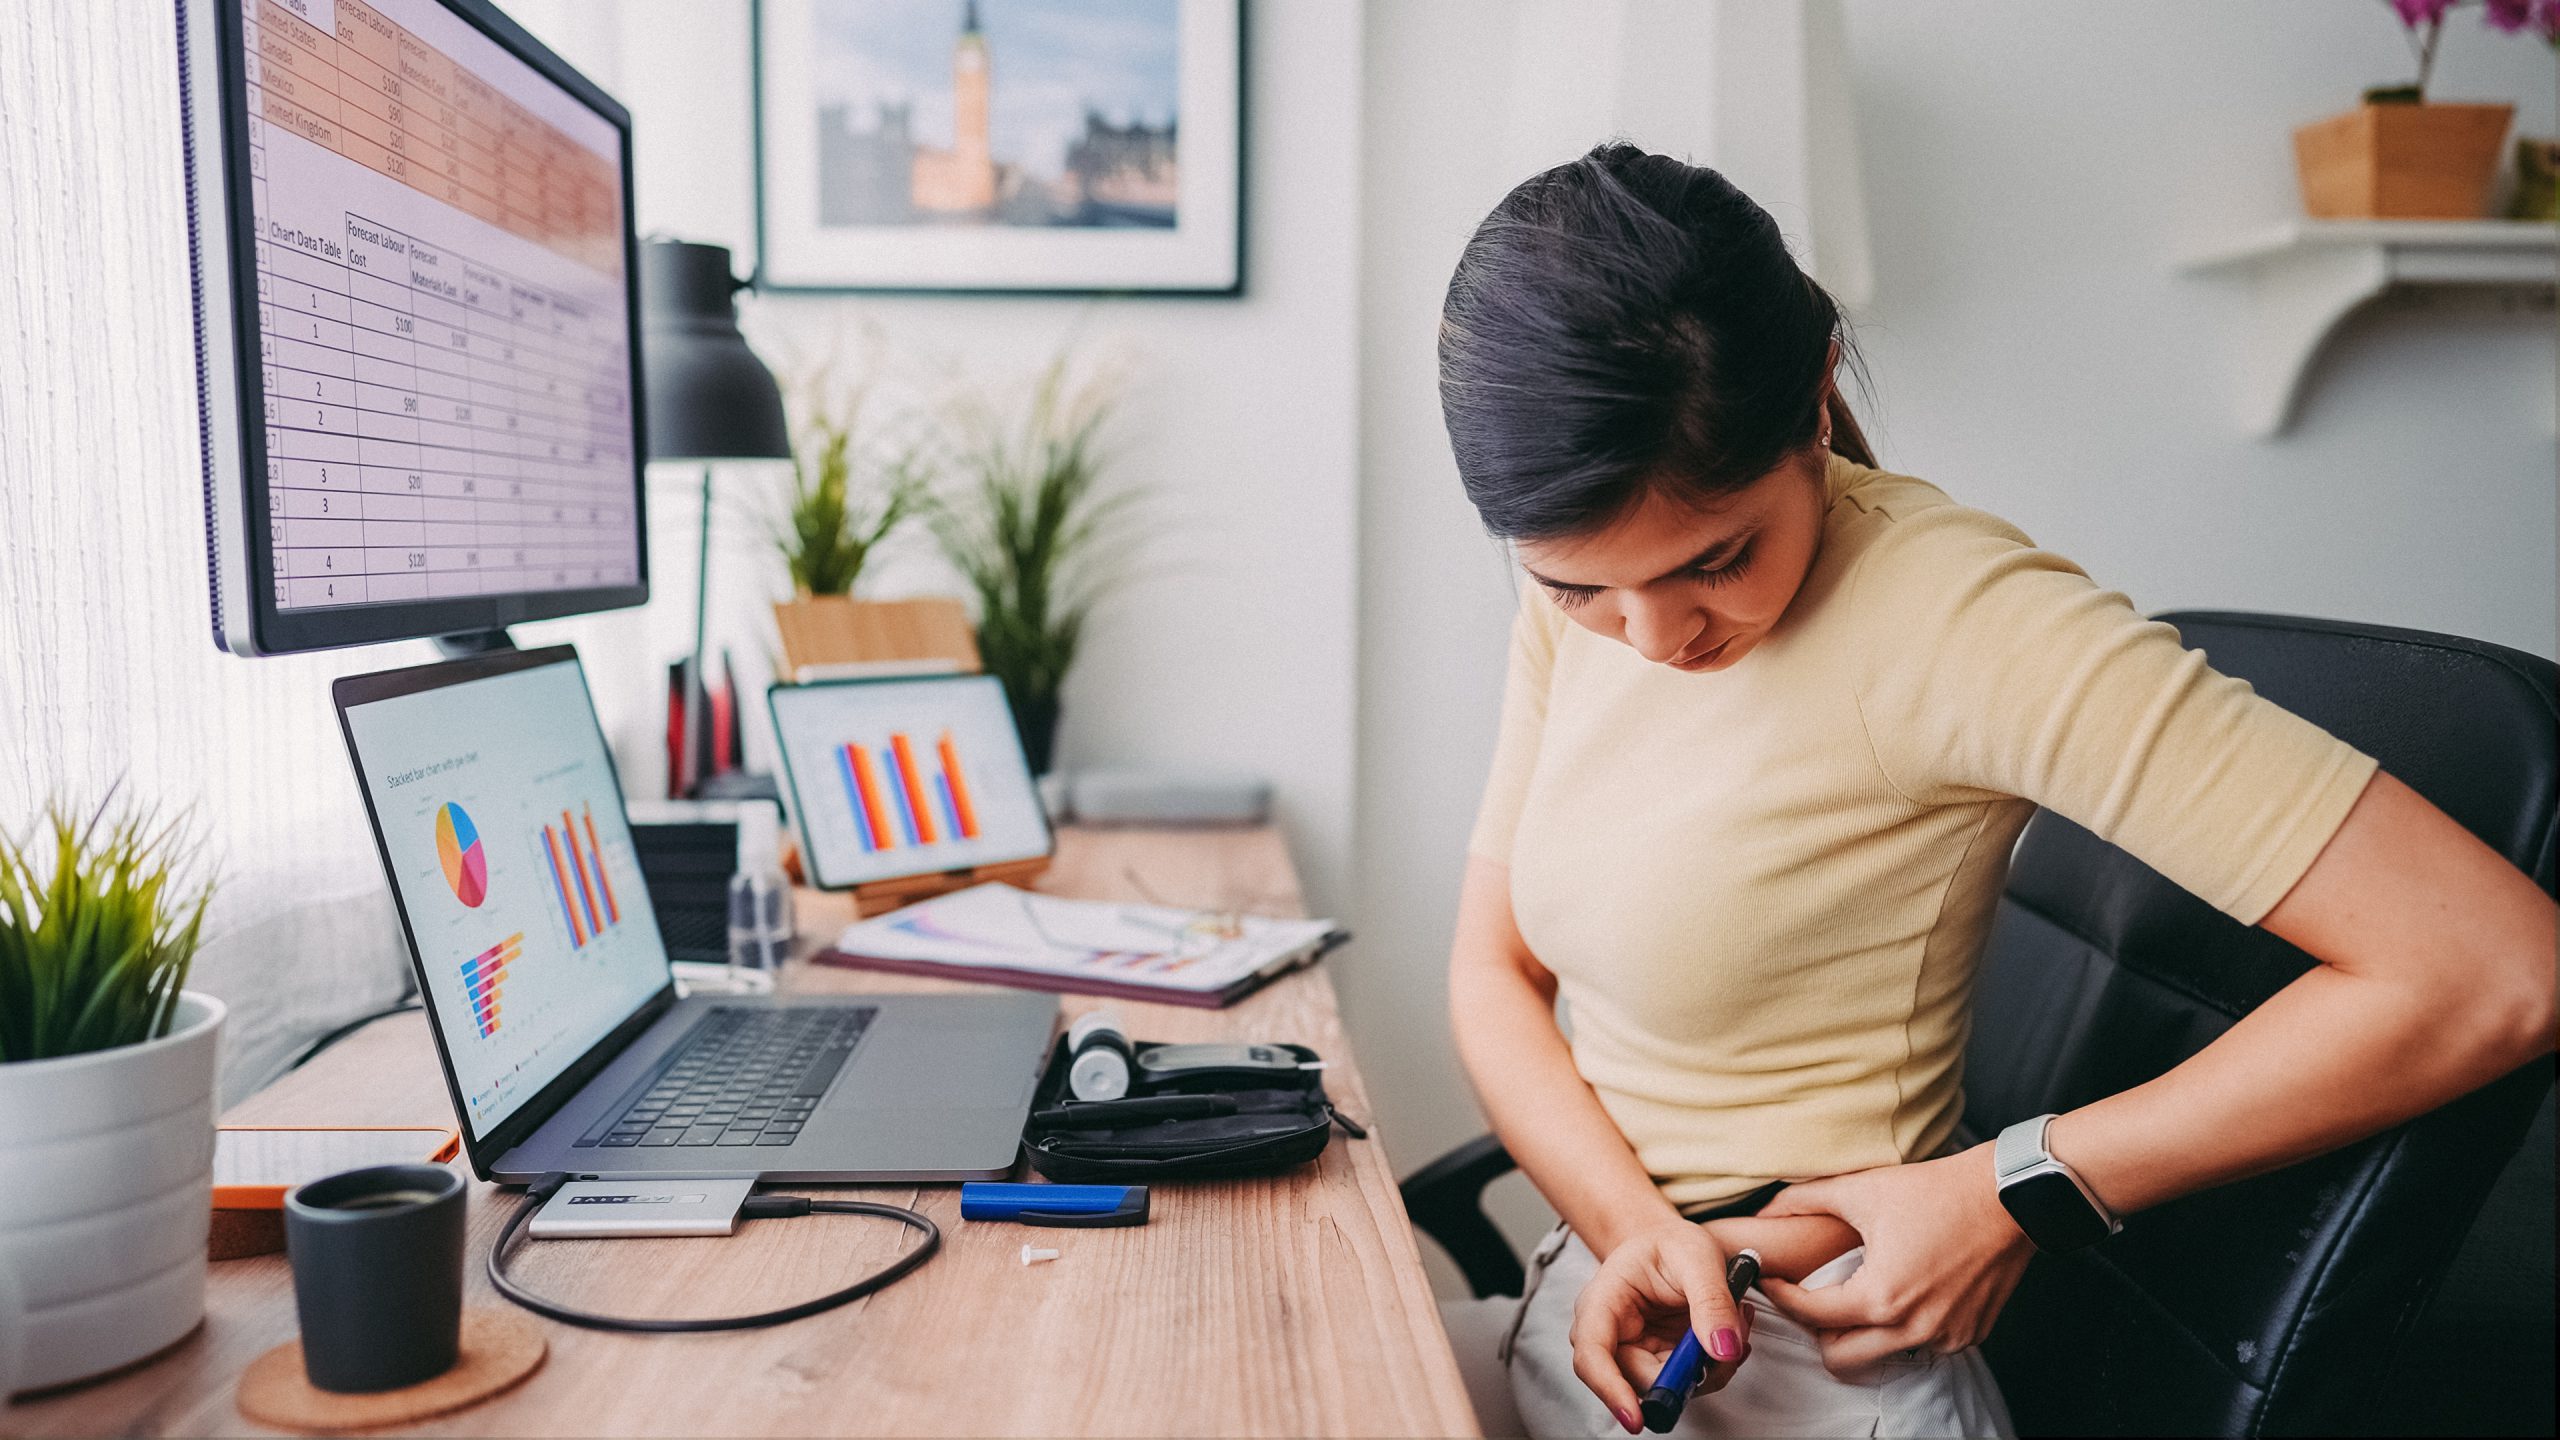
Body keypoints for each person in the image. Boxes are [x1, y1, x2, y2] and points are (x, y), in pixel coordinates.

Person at [1438, 143, 2558, 1439]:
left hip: (1811, 1367)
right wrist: (1633, 1232)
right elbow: (1493, 970)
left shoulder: (1964, 620)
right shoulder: (1587, 591)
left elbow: (2497, 967)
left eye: (1718, 559)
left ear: (1811, 404)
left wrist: (2024, 1185)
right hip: (1613, 1296)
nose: (1649, 635)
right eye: (1579, 585)